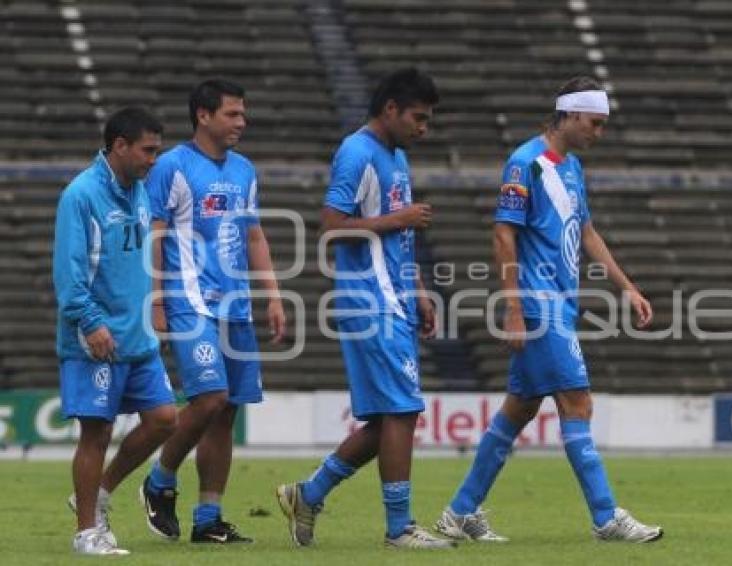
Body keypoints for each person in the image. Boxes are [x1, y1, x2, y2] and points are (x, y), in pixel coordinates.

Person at [433, 76, 664, 543]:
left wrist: (628, 288)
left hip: (560, 301)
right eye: (595, 124)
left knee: (518, 410)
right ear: (572, 115)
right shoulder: (525, 164)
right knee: (577, 402)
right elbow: (503, 234)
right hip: (540, 304)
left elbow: (589, 232)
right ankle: (606, 517)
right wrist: (513, 308)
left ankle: (459, 513)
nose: (598, 133)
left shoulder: (572, 167)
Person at [275, 67, 453, 550]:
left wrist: (417, 288)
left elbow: (399, 237)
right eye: (418, 117)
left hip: (393, 296)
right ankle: (400, 528)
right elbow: (331, 226)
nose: (424, 128)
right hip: (369, 300)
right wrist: (400, 218)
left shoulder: (395, 156)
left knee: (385, 420)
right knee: (403, 411)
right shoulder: (357, 152)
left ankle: (307, 494)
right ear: (390, 108)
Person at [140, 79, 285, 543]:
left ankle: (208, 518)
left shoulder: (244, 170)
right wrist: (158, 298)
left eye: (243, 114)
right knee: (210, 399)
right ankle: (160, 479)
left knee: (227, 414)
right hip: (189, 302)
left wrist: (274, 294)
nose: (242, 122)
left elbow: (254, 236)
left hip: (235, 305)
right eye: (232, 114)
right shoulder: (172, 167)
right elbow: (156, 235)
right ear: (203, 116)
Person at [54, 107, 176, 556]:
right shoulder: (81, 196)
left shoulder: (141, 192)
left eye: (157, 151)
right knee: (97, 433)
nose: (153, 160)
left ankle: (98, 494)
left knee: (165, 419)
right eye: (148, 150)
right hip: (96, 339)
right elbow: (69, 275)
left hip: (137, 337)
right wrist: (90, 322)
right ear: (119, 145)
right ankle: (86, 534)